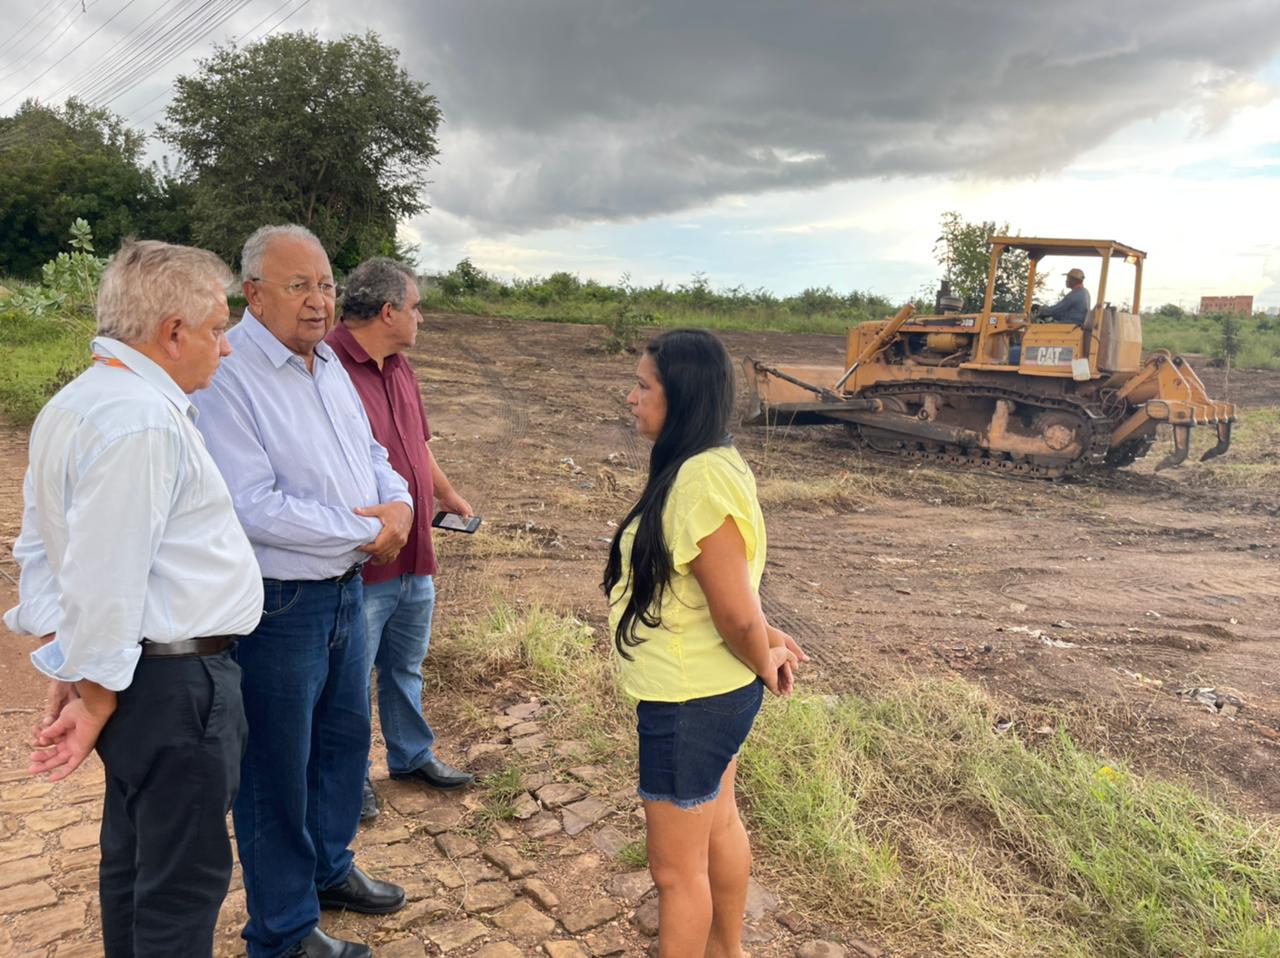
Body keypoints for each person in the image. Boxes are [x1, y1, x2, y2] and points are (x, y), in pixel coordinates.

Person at [6, 239, 263, 957]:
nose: (227, 347)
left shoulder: (83, 402)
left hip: (139, 679)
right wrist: (92, 691)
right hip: (173, 684)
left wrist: (76, 669)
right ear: (172, 332)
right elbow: (106, 576)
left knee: (138, 864)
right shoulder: (141, 421)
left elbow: (47, 552)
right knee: (182, 883)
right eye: (218, 328)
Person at [193, 225, 413, 958]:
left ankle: (328, 869)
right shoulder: (229, 377)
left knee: (343, 746)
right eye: (299, 286)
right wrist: (365, 531)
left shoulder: (327, 368)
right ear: (252, 294)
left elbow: (376, 457)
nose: (319, 301)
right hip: (280, 604)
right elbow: (252, 505)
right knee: (274, 771)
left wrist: (401, 507)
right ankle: (283, 932)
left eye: (325, 284)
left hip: (344, 592)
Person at [601, 328, 807, 958]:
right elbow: (725, 592)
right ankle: (727, 952)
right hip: (710, 690)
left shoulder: (698, 481)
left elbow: (734, 612)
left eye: (643, 386)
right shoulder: (712, 463)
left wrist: (760, 644)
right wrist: (763, 638)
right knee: (719, 825)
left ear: (682, 397)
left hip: (690, 702)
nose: (631, 398)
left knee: (674, 871)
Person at [325, 257, 475, 821]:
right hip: (366, 555)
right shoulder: (327, 365)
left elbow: (418, 443)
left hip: (414, 553)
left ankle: (411, 755)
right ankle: (349, 774)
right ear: (388, 312)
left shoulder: (399, 365)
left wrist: (447, 495)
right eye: (416, 308)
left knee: (404, 665)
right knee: (347, 678)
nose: (421, 320)